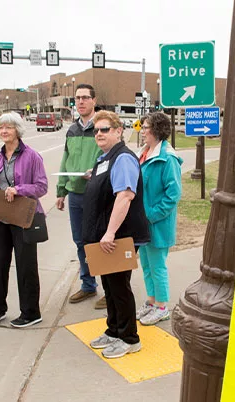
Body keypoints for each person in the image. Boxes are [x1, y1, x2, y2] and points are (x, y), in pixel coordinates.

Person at [83, 110, 150, 359]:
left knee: (119, 287)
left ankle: (130, 338)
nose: (98, 134)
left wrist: (110, 233)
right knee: (109, 287)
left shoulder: (122, 158)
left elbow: (125, 196)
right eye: (96, 130)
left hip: (119, 236)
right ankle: (114, 330)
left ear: (118, 131)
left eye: (104, 129)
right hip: (105, 236)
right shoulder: (105, 158)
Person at [0, 112, 48, 328]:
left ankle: (31, 313)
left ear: (18, 130)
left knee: (26, 266)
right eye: (1, 127)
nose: (4, 131)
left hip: (24, 218)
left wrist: (18, 189)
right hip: (2, 219)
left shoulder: (32, 156)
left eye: (9, 127)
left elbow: (42, 186)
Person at [55, 84, 106, 309]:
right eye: (78, 98)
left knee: (102, 243)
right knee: (81, 242)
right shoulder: (72, 130)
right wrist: (61, 191)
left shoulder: (103, 127)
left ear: (94, 100)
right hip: (75, 195)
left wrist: (95, 172)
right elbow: (65, 160)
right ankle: (88, 285)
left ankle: (110, 289)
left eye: (86, 97)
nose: (81, 101)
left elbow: (112, 156)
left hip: (98, 194)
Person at [135, 112, 182, 325]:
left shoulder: (168, 159)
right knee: (146, 264)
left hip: (156, 224)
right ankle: (152, 302)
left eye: (145, 127)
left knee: (157, 266)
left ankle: (162, 307)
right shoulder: (144, 153)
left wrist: (150, 216)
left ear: (156, 130)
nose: (142, 131)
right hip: (142, 223)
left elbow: (173, 196)